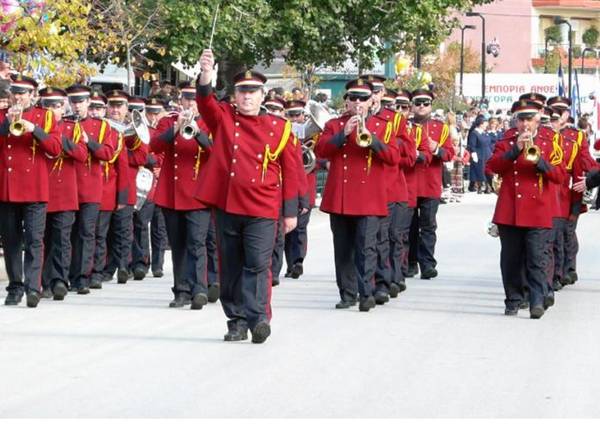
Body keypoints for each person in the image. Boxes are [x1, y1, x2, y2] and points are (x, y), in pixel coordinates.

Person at [196, 49, 300, 343]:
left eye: (253, 92)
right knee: (230, 265)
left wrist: (290, 211)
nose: (247, 97)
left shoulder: (279, 128)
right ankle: (237, 320)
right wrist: (206, 74)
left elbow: (290, 171)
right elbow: (204, 102)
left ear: (262, 95)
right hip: (229, 204)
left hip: (263, 207)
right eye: (242, 92)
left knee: (256, 263)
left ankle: (259, 318)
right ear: (235, 95)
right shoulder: (225, 118)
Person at [315, 78, 400, 311]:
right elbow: (321, 150)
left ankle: (366, 293)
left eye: (363, 98)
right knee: (343, 249)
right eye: (353, 98)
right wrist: (344, 133)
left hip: (369, 197)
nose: (358, 102)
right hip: (341, 197)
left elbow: (394, 157)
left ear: (372, 99)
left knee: (366, 248)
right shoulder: (334, 124)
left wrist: (372, 140)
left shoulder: (384, 125)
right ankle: (347, 293)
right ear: (347, 101)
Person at [487, 99, 565, 318]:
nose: (525, 124)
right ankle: (513, 299)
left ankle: (537, 300)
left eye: (530, 119)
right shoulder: (507, 140)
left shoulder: (551, 140)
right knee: (510, 259)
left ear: (539, 118)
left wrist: (539, 161)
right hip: (510, 209)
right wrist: (515, 150)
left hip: (538, 209)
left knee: (536, 258)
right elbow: (492, 167)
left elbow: (559, 176)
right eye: (521, 119)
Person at [150, 81, 217, 309]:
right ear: (180, 101)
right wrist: (175, 128)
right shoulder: (167, 122)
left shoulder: (209, 124)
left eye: (195, 99)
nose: (191, 103)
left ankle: (199, 289)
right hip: (172, 193)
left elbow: (216, 152)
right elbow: (155, 146)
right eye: (187, 99)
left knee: (196, 243)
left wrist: (198, 134)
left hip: (198, 195)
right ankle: (181, 290)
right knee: (178, 244)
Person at [0, 75, 62, 307]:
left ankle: (33, 287)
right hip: (7, 188)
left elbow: (55, 149)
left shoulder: (45, 116)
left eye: (23, 93)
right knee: (11, 241)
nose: (18, 97)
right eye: (15, 92)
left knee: (35, 240)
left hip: (35, 189)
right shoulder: (2, 114)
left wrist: (34, 129)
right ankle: (15, 286)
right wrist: (8, 122)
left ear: (32, 95)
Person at [66, 85, 118, 293]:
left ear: (88, 103)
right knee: (67, 233)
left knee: (87, 233)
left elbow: (108, 153)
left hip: (90, 188)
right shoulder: (65, 123)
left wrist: (90, 142)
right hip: (68, 187)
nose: (77, 106)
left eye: (81, 102)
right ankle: (67, 275)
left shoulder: (102, 126)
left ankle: (83, 277)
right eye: (74, 102)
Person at [39, 88, 88, 301]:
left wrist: (61, 141)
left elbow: (82, 154)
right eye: (48, 106)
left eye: (57, 106)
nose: (53, 110)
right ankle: (42, 281)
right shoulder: (37, 126)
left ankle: (59, 280)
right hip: (41, 190)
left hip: (65, 192)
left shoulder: (71, 127)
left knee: (61, 238)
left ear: (63, 107)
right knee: (41, 239)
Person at [407, 88, 455, 279]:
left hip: (430, 184)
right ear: (412, 105)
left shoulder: (440, 128)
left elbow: (450, 154)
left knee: (428, 226)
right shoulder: (404, 125)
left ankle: (427, 263)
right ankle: (411, 262)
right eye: (418, 103)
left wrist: (436, 149)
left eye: (425, 103)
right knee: (409, 226)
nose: (421, 107)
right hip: (409, 182)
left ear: (431, 106)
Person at [467, 114, 492, 194]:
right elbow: (472, 145)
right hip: (479, 154)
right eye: (485, 123)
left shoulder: (484, 133)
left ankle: (488, 186)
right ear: (481, 123)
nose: (486, 125)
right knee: (480, 170)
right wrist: (474, 154)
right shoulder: (474, 133)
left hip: (487, 153)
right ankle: (480, 186)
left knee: (488, 170)